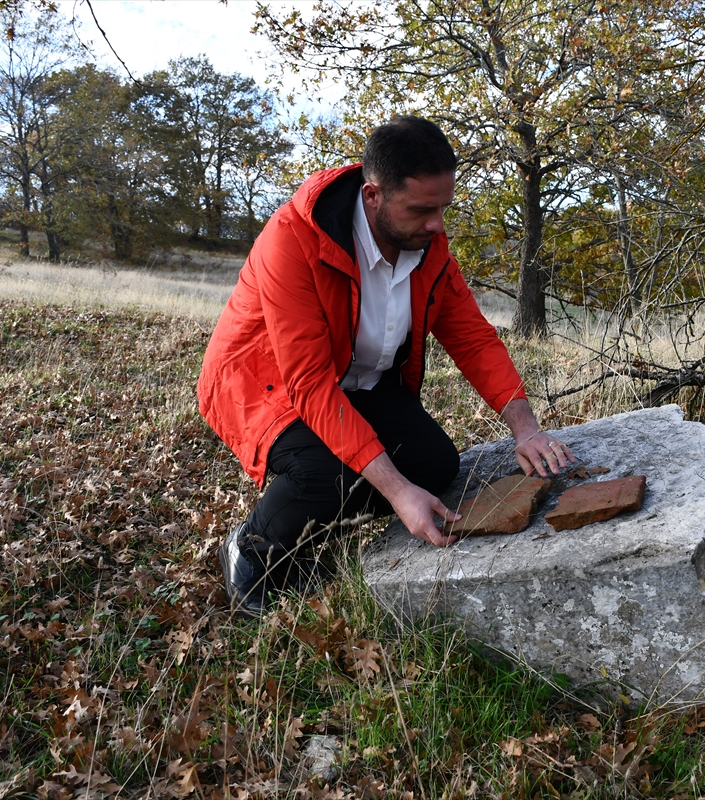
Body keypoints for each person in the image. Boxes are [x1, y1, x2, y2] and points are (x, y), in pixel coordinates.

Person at [197, 116, 575, 617]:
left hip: (359, 384)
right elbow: (309, 384)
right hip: (264, 386)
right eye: (422, 209)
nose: (438, 225)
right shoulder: (292, 240)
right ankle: (253, 547)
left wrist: (525, 430)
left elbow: (472, 337)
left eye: (444, 207)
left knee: (436, 466)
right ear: (373, 196)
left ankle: (314, 529)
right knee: (326, 470)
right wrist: (396, 492)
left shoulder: (426, 244)